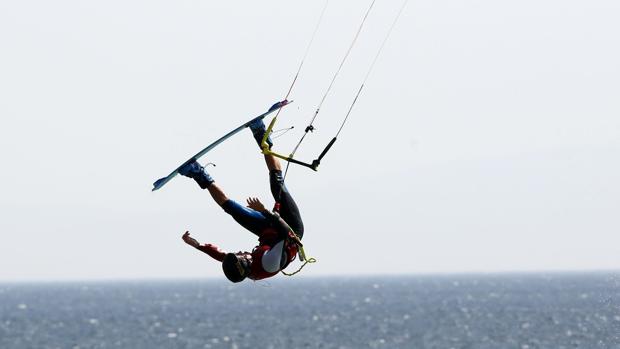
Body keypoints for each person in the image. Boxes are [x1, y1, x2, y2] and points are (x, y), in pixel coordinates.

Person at [178, 102, 304, 283]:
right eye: (239, 256)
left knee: (231, 209)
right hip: (290, 228)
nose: (239, 253)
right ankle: (261, 133)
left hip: (269, 233)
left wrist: (197, 245)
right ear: (246, 264)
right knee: (276, 184)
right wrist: (265, 211)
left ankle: (197, 172)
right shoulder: (268, 264)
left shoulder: (242, 265)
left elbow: (221, 256)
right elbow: (287, 234)